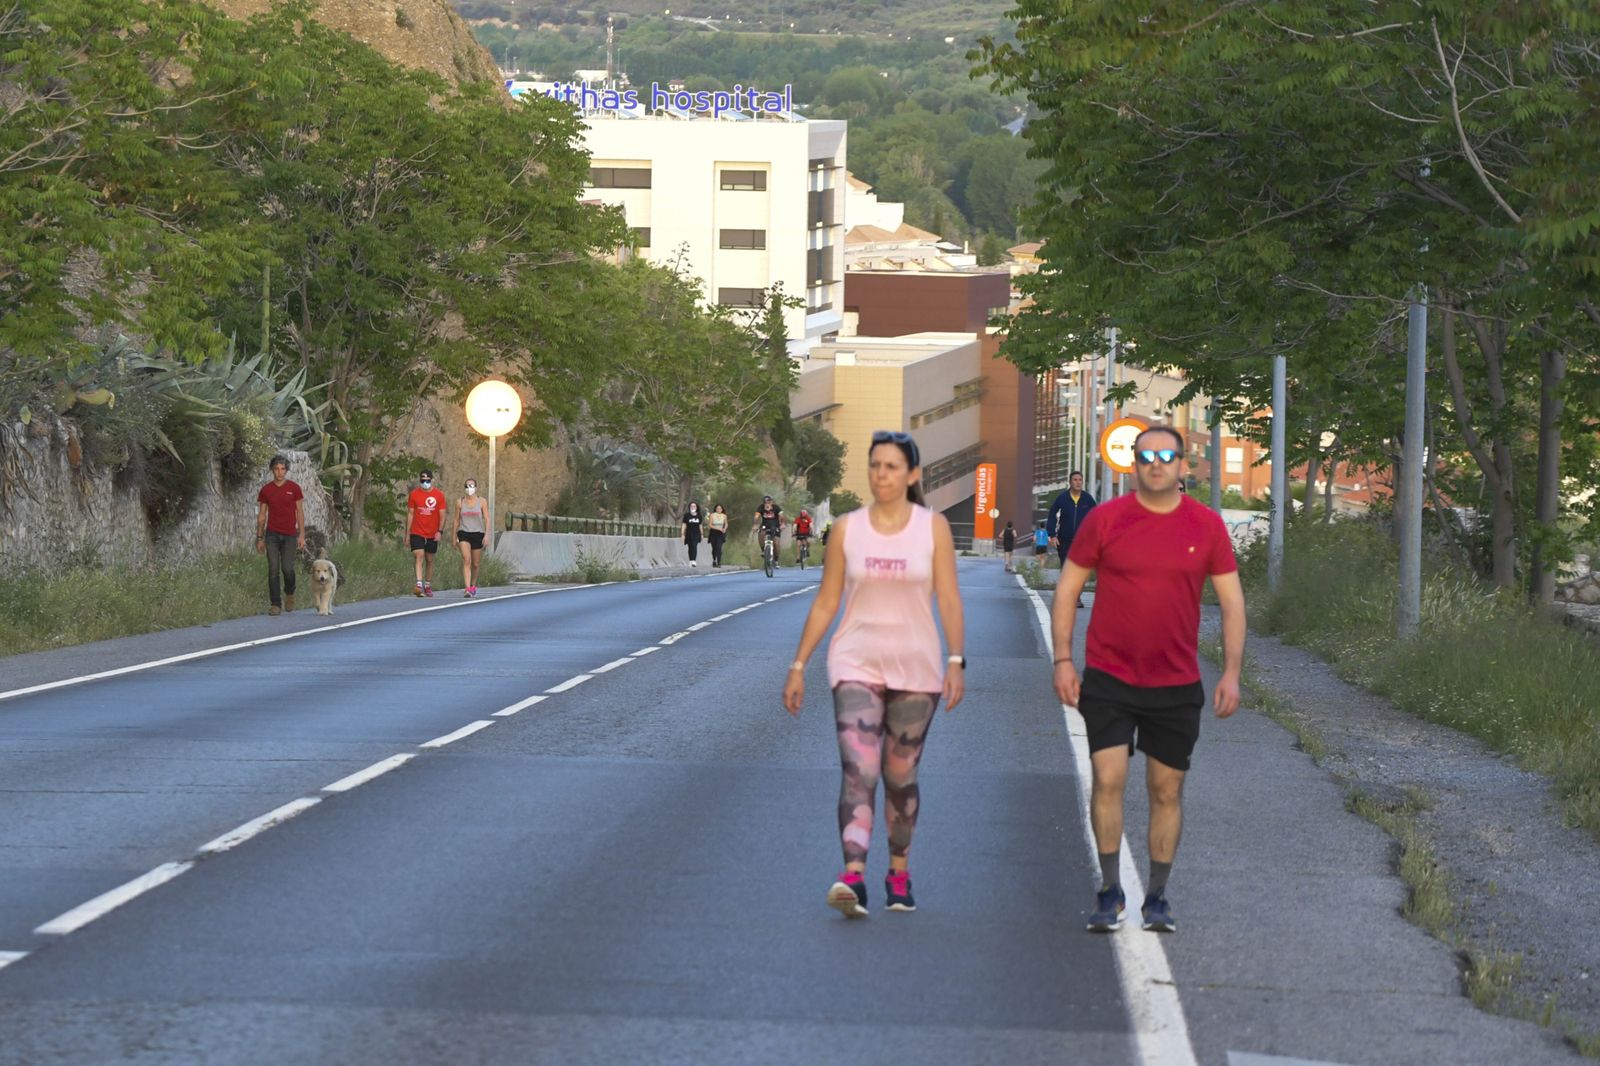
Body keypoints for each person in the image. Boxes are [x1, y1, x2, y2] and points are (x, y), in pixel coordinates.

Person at [1051, 425, 1245, 935]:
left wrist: (1231, 674)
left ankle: (1156, 897)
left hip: (1176, 684)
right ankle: (1110, 890)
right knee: (1109, 779)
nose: (1155, 463)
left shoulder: (1205, 527)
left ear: (1184, 466)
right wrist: (1062, 661)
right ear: (1132, 464)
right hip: (1110, 676)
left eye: (1166, 456)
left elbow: (1231, 603)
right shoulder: (1105, 520)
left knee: (1165, 790)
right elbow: (1068, 589)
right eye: (1145, 456)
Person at [783, 429, 966, 919]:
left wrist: (955, 660)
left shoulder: (933, 528)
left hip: (918, 667)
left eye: (891, 466)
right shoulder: (848, 528)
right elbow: (827, 600)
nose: (881, 475)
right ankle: (854, 876)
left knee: (899, 775)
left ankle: (899, 872)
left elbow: (948, 598)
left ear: (912, 475)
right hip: (855, 661)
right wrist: (798, 664)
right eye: (875, 465)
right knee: (858, 771)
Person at [255, 455, 305, 616]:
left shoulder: (294, 488)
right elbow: (262, 515)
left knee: (287, 568)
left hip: (290, 535)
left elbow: (300, 512)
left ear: (287, 470)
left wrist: (302, 535)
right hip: (272, 535)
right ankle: (275, 603)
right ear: (272, 470)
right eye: (276, 469)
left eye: (283, 469)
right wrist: (259, 537)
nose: (279, 472)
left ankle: (290, 593)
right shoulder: (266, 490)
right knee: (273, 569)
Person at [1048, 471, 1097, 608]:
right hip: (1064, 540)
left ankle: (1076, 597)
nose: (1077, 482)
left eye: (1080, 480)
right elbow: (1052, 515)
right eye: (1075, 479)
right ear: (1070, 482)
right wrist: (1052, 535)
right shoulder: (1062, 498)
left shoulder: (1088, 499)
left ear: (1082, 482)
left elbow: (1096, 518)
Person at [407, 469, 448, 597]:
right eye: (422, 480)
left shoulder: (439, 495)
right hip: (417, 531)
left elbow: (443, 515)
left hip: (432, 532)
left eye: (427, 480)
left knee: (429, 559)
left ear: (432, 480)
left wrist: (439, 531)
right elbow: (410, 514)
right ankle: (419, 584)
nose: (425, 483)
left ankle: (428, 585)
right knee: (419, 555)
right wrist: (407, 534)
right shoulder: (414, 494)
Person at [456, 477, 489, 598]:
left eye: (472, 486)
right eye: (467, 486)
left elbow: (487, 519)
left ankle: (473, 585)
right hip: (464, 533)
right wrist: (454, 536)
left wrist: (486, 535)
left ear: (476, 487)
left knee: (475, 564)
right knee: (466, 560)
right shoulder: (460, 502)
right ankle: (467, 588)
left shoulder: (482, 501)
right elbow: (456, 520)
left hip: (478, 533)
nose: (469, 488)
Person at [754, 495, 784, 568]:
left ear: (771, 502)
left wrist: (782, 524)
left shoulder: (776, 507)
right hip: (765, 525)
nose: (767, 504)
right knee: (761, 533)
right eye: (765, 502)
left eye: (769, 502)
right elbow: (756, 516)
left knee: (776, 543)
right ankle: (763, 550)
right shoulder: (760, 507)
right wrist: (755, 524)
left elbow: (781, 516)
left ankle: (776, 560)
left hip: (775, 526)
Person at [681, 501, 704, 568]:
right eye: (691, 506)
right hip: (689, 533)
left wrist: (702, 534)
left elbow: (700, 525)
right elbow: (684, 525)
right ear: (689, 507)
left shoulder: (699, 515)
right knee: (690, 547)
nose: (693, 507)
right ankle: (691, 560)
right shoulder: (686, 515)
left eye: (694, 506)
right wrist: (682, 534)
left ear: (696, 507)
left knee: (694, 545)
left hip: (696, 533)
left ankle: (694, 560)